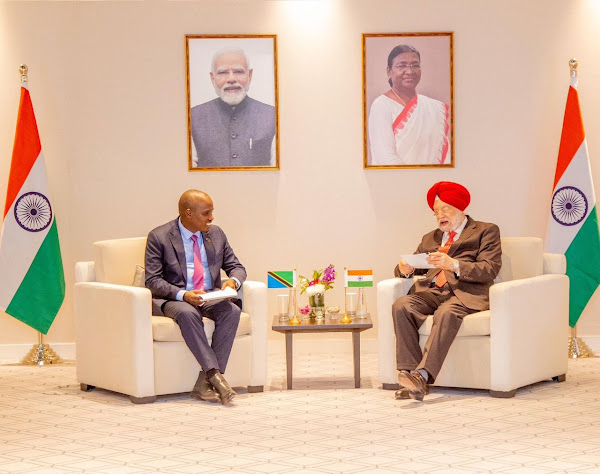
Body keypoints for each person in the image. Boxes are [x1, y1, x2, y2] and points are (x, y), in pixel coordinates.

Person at [392, 181, 502, 401]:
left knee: (446, 313)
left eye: (445, 209)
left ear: (460, 209)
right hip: (433, 291)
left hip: (465, 292)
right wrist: (404, 269)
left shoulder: (485, 231)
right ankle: (409, 374)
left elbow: (490, 268)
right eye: (436, 212)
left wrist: (454, 265)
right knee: (402, 305)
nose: (439, 216)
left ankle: (422, 376)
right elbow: (416, 264)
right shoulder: (430, 238)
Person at [145, 190, 247, 404]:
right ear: (189, 213)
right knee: (188, 314)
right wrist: (183, 294)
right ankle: (215, 376)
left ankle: (204, 382)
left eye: (212, 212)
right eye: (206, 213)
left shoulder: (216, 234)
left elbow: (236, 267)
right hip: (176, 298)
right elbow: (152, 280)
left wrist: (233, 282)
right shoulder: (159, 236)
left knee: (231, 311)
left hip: (209, 296)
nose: (211, 218)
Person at [190, 47, 276, 168]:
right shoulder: (192, 117)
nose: (231, 79)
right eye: (223, 72)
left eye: (238, 72)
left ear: (249, 75)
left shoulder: (273, 116)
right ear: (212, 78)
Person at [368, 44, 451, 166]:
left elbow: (446, 155)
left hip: (434, 176)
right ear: (389, 71)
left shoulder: (434, 108)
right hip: (395, 176)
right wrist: (414, 176)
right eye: (402, 66)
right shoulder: (382, 105)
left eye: (415, 65)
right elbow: (385, 157)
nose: (410, 71)